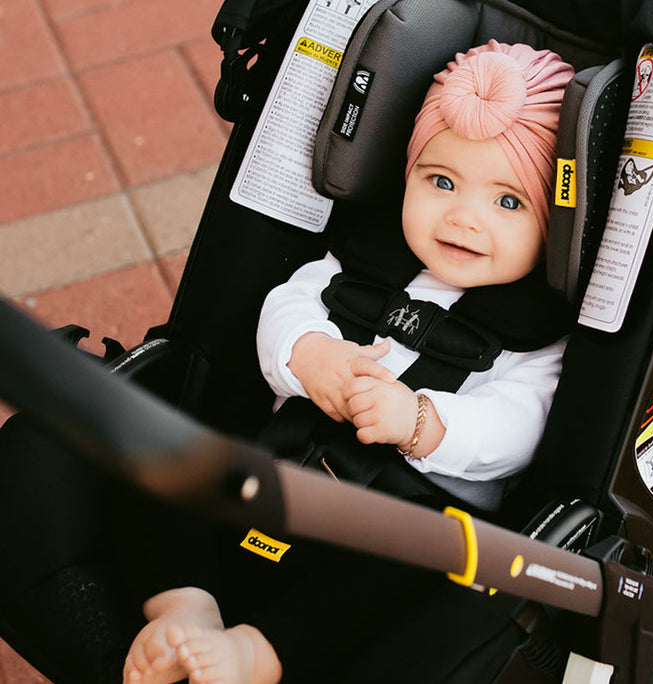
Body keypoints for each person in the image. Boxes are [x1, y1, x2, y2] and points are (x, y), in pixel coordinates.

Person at [122, 40, 575, 684]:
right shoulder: (364, 260)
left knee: (403, 578)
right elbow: (289, 303)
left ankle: (257, 653)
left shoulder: (536, 332)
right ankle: (185, 607)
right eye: (440, 181)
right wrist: (311, 354)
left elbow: (519, 426)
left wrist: (420, 420)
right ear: (408, 173)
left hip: (398, 519)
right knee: (169, 459)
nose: (463, 217)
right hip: (276, 470)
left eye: (508, 202)